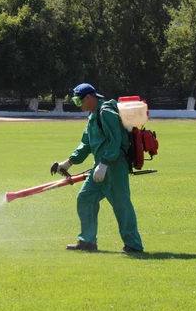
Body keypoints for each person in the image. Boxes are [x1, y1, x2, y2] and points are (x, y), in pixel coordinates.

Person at [53, 83, 144, 253]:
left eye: (77, 100)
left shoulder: (106, 112)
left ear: (88, 97)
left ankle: (133, 244)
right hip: (100, 167)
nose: (76, 104)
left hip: (114, 165)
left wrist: (104, 163)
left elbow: (115, 141)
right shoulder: (93, 116)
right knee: (85, 198)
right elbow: (86, 144)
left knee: (121, 204)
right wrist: (68, 162)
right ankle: (87, 242)